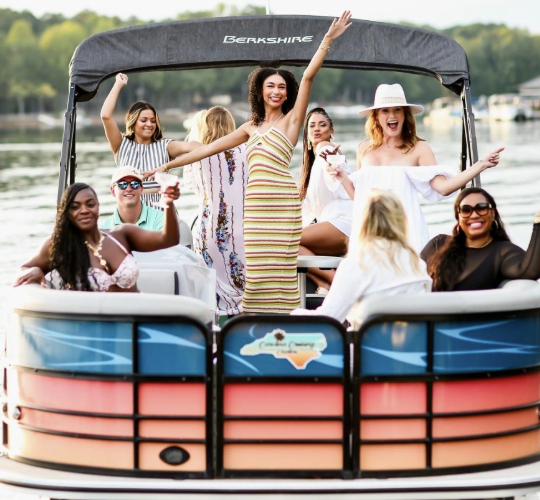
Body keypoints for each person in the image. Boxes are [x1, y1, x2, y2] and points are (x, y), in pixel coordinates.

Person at [142, 11, 353, 313]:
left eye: (282, 87)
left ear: (287, 93)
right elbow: (208, 149)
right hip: (254, 208)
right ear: (260, 90)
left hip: (282, 203)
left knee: (282, 267)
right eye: (271, 86)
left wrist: (327, 41)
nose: (277, 91)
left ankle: (288, 319)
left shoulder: (293, 120)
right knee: (257, 270)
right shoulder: (249, 128)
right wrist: (166, 166)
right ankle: (257, 320)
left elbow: (308, 76)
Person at [326, 83, 504, 252]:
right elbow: (359, 198)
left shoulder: (419, 149)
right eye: (385, 110)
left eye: (397, 110)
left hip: (406, 233)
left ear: (405, 115)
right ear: (376, 117)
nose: (392, 116)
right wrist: (342, 177)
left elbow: (443, 188)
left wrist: (481, 164)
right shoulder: (364, 149)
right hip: (369, 232)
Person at [292, 189, 432, 323]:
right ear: (400, 221)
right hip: (412, 339)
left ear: (362, 222)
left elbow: (328, 319)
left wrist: (295, 314)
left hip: (367, 339)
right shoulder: (417, 264)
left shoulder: (357, 265)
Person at [14, 181, 180, 292]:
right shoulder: (60, 245)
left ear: (98, 206)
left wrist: (168, 203)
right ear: (66, 212)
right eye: (75, 207)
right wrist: (36, 269)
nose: (84, 210)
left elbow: (169, 239)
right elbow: (24, 269)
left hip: (137, 323)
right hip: (96, 328)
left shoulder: (122, 235)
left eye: (90, 204)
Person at [183, 106, 248, 317]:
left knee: (211, 287)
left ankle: (214, 329)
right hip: (243, 230)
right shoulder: (246, 150)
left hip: (208, 230)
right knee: (242, 285)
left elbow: (192, 186)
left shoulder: (197, 154)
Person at [100, 73, 198, 207]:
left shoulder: (165, 146)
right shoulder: (121, 144)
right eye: (143, 120)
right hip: (131, 215)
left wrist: (168, 166)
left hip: (161, 215)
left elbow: (194, 147)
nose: (149, 124)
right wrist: (118, 84)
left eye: (153, 121)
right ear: (133, 122)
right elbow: (105, 116)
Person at [421, 187, 540, 291]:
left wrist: (538, 223)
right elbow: (412, 275)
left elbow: (529, 271)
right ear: (458, 217)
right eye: (466, 210)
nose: (474, 215)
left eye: (482, 208)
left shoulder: (502, 252)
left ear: (492, 213)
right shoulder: (438, 244)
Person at [298, 107, 353, 293]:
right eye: (312, 125)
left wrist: (333, 165)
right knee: (291, 247)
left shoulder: (326, 149)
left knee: (287, 240)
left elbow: (334, 166)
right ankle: (325, 284)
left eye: (322, 125)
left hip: (343, 222)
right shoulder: (313, 164)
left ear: (331, 131)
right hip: (335, 223)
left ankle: (336, 282)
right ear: (307, 134)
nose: (317, 129)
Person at [100, 166, 164, 231]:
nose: (129, 189)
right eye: (122, 184)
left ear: (141, 189)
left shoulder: (161, 219)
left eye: (135, 184)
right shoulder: (103, 229)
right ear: (113, 191)